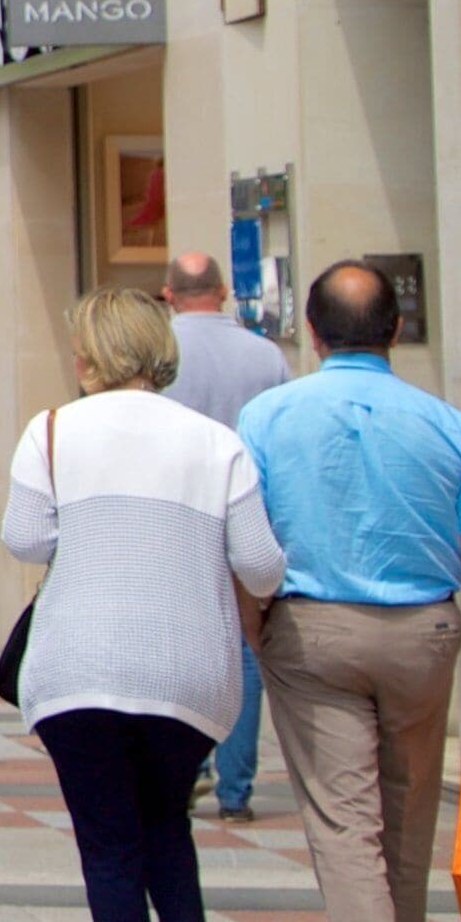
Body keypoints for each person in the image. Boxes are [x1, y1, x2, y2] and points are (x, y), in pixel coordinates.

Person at [240, 261, 461, 922]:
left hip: (312, 631)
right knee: (407, 818)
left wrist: (251, 632)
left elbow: (246, 547)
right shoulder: (449, 425)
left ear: (310, 330)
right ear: (396, 332)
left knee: (346, 819)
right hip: (424, 637)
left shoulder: (266, 418)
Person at [0, 288, 284, 922]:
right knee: (165, 813)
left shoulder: (52, 430)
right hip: (188, 670)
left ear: (90, 356)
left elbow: (24, 538)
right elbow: (259, 565)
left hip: (77, 667)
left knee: (107, 839)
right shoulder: (214, 441)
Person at [162, 252, 291, 823]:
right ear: (221, 291)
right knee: (244, 648)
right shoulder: (266, 356)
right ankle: (236, 789)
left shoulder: (157, 353)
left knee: (181, 644)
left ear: (169, 293)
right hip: (247, 513)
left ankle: (189, 766)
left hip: (175, 519)